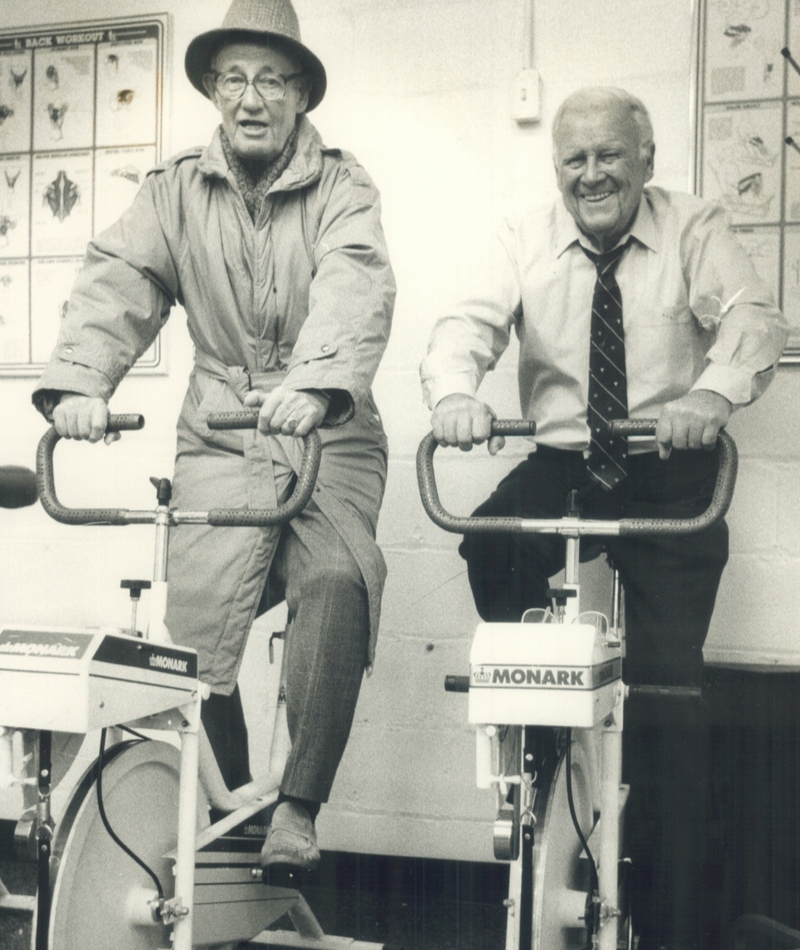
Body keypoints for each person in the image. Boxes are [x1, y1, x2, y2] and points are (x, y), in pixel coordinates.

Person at [420, 87, 787, 950]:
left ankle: (674, 920)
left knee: (668, 702)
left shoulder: (695, 226)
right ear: (557, 170)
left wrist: (710, 390)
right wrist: (456, 394)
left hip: (669, 460)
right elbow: (461, 326)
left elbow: (753, 321)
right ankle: (550, 730)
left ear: (646, 160)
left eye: (610, 155)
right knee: (488, 542)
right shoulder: (522, 236)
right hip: (565, 456)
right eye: (575, 159)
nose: (593, 174)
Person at [32, 0, 395, 872]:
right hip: (222, 432)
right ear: (212, 90)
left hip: (324, 432)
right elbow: (119, 279)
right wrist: (82, 383)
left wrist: (314, 385)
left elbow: (355, 282)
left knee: (341, 579)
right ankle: (228, 819)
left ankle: (297, 808)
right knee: (195, 633)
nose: (251, 98)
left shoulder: (344, 187)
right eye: (233, 78)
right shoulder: (172, 191)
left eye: (271, 78)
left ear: (302, 92)